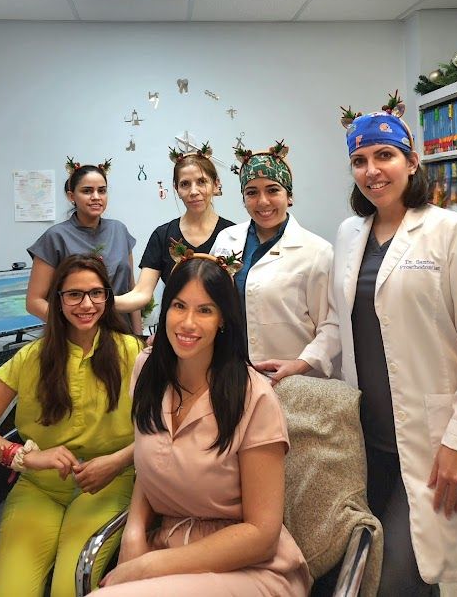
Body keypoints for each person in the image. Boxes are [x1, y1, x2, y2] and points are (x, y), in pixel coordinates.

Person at [326, 92, 457, 593]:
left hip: (434, 442)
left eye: (384, 155)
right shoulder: (349, 234)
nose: (371, 170)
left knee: (399, 578)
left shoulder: (452, 232)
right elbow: (342, 324)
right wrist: (305, 363)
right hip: (368, 439)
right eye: (359, 161)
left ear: (411, 161)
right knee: (365, 570)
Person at [98, 253, 311, 596]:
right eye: (179, 306)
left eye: (205, 310)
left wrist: (147, 566)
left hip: (248, 566)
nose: (187, 323)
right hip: (166, 547)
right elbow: (153, 464)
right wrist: (134, 533)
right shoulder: (147, 370)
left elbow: (261, 533)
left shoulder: (253, 398)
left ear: (223, 319)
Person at [0, 255, 142, 597]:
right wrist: (26, 457)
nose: (86, 304)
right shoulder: (32, 357)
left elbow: (162, 431)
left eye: (96, 293)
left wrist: (118, 461)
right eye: (74, 295)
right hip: (39, 488)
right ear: (57, 300)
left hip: (107, 484)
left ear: (107, 297)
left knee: (67, 588)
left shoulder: (134, 354)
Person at [211, 140, 336, 383]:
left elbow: (332, 324)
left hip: (293, 380)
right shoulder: (226, 240)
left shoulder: (317, 252)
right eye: (252, 192)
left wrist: (301, 364)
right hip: (231, 374)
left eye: (273, 190)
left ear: (289, 195)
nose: (263, 201)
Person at [114, 144, 234, 317]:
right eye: (185, 184)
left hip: (221, 335)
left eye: (201, 182)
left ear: (216, 185)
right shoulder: (163, 236)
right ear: (177, 189)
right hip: (176, 331)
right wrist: (98, 300)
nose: (194, 191)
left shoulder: (232, 234)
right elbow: (141, 294)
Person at [27, 158, 141, 334]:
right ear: (72, 196)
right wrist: (71, 324)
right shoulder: (56, 237)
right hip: (75, 339)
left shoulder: (119, 231)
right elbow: (34, 302)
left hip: (121, 335)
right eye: (87, 191)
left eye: (101, 191)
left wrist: (138, 337)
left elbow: (131, 291)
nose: (96, 197)